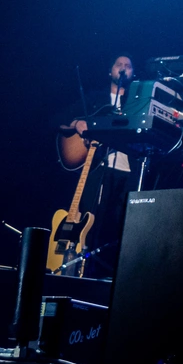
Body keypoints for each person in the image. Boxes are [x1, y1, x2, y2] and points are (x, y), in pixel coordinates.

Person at [55, 54, 139, 277]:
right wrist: (78, 123)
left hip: (128, 172)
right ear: (110, 71)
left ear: (133, 73)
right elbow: (60, 120)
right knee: (92, 221)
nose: (123, 69)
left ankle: (111, 275)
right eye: (118, 64)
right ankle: (83, 270)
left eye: (128, 66)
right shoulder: (95, 99)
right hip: (97, 168)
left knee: (121, 224)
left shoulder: (137, 101)